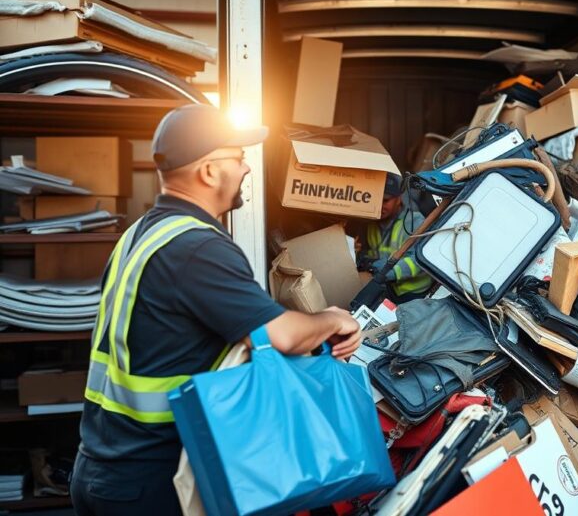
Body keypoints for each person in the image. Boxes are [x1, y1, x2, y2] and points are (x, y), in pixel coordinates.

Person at [71, 105, 363, 516]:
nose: (245, 169)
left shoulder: (141, 232)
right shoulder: (197, 247)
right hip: (153, 482)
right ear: (209, 171)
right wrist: (333, 319)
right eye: (238, 157)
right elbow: (280, 336)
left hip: (103, 467)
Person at [358, 173, 432, 303]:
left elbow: (420, 260)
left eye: (385, 201)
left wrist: (388, 273)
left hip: (413, 293)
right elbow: (374, 252)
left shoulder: (415, 221)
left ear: (399, 199)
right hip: (387, 288)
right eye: (377, 199)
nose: (380, 206)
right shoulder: (372, 224)